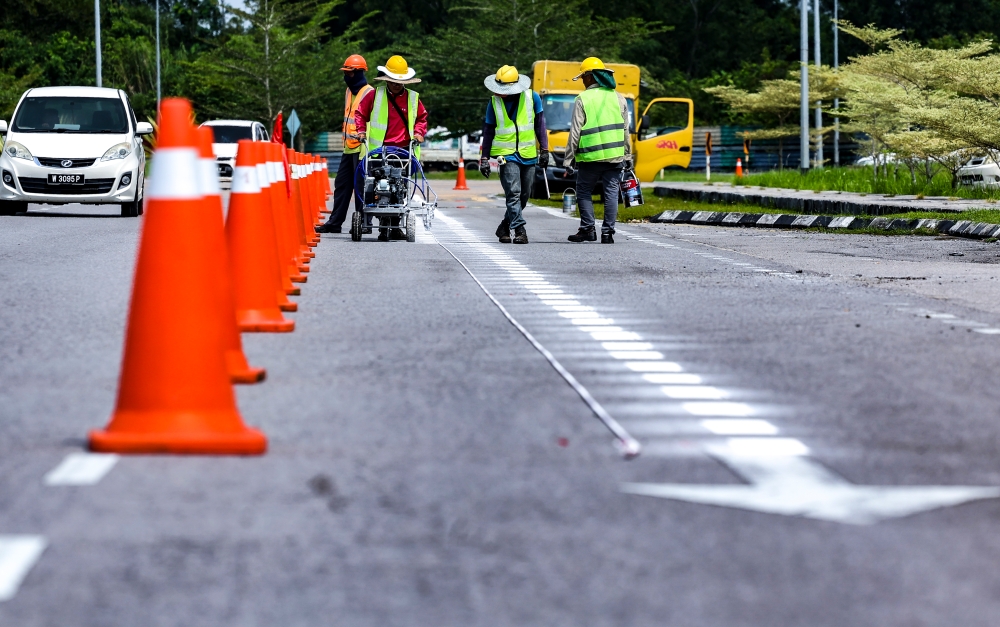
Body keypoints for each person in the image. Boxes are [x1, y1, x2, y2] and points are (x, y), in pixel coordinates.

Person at [354, 55, 428, 241]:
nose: (396, 84)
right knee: (375, 187)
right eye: (393, 81)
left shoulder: (413, 98)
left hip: (403, 151)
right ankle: (375, 221)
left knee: (399, 187)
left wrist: (419, 133)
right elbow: (360, 114)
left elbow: (421, 119)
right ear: (387, 79)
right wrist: (361, 132)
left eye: (399, 81)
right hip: (379, 151)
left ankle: (393, 226)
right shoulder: (375, 95)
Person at [563, 57, 631, 244]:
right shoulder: (618, 97)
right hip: (615, 157)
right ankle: (608, 233)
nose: (583, 81)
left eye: (584, 77)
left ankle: (587, 230)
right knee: (610, 193)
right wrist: (627, 155)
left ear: (591, 77)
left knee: (584, 190)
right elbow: (626, 130)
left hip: (590, 157)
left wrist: (568, 160)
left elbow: (575, 131)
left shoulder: (582, 99)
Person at [479, 65, 549, 245]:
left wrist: (545, 150)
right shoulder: (493, 102)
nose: (499, 92)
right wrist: (484, 158)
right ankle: (520, 230)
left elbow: (540, 125)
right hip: (506, 156)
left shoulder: (532, 97)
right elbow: (488, 131)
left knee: (524, 195)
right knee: (513, 193)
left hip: (528, 153)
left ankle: (504, 226)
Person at [317, 54, 374, 234]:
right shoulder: (349, 91)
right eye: (346, 73)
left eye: (350, 73)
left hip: (363, 148)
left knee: (361, 185)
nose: (346, 77)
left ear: (359, 73)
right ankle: (335, 223)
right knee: (342, 185)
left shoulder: (369, 93)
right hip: (349, 146)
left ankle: (364, 222)